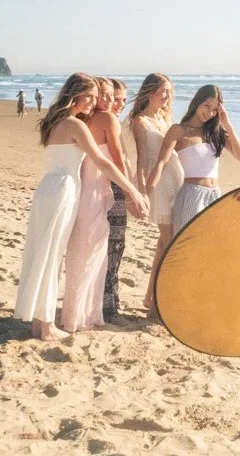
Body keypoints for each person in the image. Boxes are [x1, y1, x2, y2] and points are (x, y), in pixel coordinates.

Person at [14, 74, 147, 341]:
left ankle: (40, 323)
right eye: (89, 96)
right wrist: (132, 190)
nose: (93, 102)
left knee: (44, 253)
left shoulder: (54, 121)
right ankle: (47, 327)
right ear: (74, 94)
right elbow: (103, 162)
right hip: (63, 189)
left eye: (95, 98)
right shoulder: (75, 124)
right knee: (51, 256)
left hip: (49, 187)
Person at [146, 84, 240, 237]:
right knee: (187, 242)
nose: (210, 112)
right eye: (207, 105)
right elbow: (161, 163)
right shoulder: (179, 130)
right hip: (191, 195)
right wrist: (146, 194)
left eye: (215, 109)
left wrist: (227, 124)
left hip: (215, 194)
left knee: (208, 243)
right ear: (197, 102)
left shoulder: (215, 132)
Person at [60, 77, 119, 334]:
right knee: (88, 255)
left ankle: (79, 315)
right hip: (90, 194)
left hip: (85, 192)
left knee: (83, 255)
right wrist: (131, 190)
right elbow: (115, 158)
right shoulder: (101, 120)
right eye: (101, 95)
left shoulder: (83, 120)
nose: (105, 100)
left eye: (109, 96)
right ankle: (77, 317)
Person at [128, 73, 184, 312]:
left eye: (170, 91)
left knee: (165, 242)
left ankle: (151, 297)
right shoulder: (140, 122)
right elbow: (141, 159)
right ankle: (157, 298)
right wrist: (141, 192)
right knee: (168, 240)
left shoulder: (164, 118)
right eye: (164, 91)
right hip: (158, 183)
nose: (168, 96)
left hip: (175, 179)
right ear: (150, 92)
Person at [102, 78, 130, 322]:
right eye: (116, 99)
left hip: (113, 188)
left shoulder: (110, 123)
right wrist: (132, 193)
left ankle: (109, 302)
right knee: (113, 247)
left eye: (124, 100)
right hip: (112, 190)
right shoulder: (107, 123)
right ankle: (108, 307)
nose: (120, 104)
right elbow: (118, 162)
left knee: (113, 247)